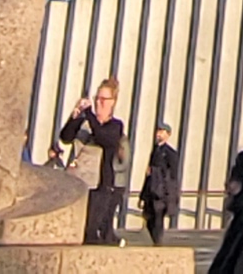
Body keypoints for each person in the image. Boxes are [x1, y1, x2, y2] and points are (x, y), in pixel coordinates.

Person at [57, 81, 132, 245]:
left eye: (104, 99)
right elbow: (65, 137)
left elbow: (102, 136)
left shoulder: (115, 126)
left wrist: (90, 115)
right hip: (78, 179)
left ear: (113, 102)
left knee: (90, 229)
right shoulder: (85, 123)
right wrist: (75, 117)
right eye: (97, 98)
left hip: (99, 184)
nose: (99, 103)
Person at [141, 126, 183, 247]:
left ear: (168, 134)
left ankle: (158, 241)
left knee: (158, 217)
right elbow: (148, 174)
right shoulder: (155, 150)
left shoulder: (170, 153)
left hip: (162, 191)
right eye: (158, 131)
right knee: (149, 218)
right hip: (151, 189)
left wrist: (169, 193)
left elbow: (172, 175)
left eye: (162, 132)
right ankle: (156, 240)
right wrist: (143, 195)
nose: (158, 134)